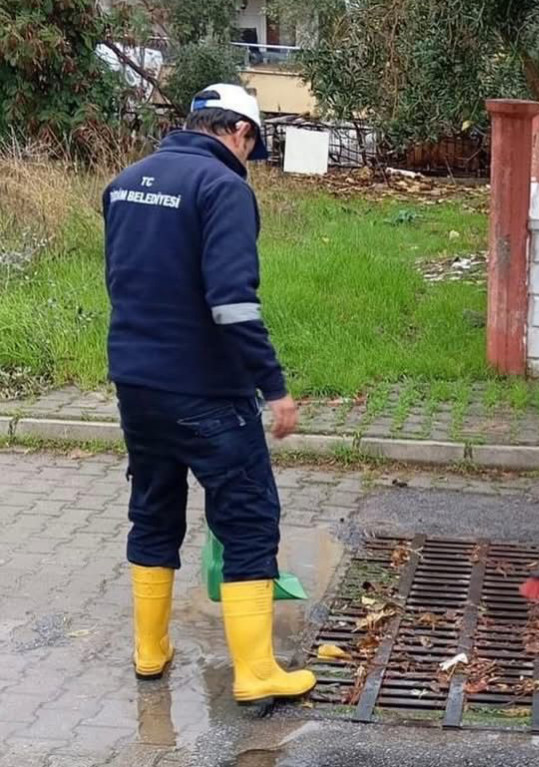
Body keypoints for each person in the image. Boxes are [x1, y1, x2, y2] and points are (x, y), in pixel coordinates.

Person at [104, 83, 314, 703]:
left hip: (136, 384)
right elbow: (233, 302)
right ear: (241, 134)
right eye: (254, 146)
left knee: (153, 508)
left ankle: (150, 651)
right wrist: (273, 388)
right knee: (248, 518)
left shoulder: (124, 182)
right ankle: (255, 674)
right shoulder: (223, 188)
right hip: (206, 393)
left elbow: (130, 280)